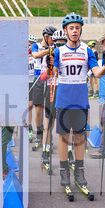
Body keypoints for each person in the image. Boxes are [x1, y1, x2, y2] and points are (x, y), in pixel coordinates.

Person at [50, 13, 105, 189]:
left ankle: (80, 171)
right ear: (65, 31)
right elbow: (52, 73)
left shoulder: (86, 50)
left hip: (81, 100)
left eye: (77, 28)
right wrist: (50, 64)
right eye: (71, 28)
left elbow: (96, 73)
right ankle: (64, 170)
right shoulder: (59, 51)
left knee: (80, 137)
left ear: (81, 30)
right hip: (63, 100)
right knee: (63, 137)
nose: (74, 31)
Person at [41, 29, 67, 169]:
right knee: (49, 123)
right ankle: (45, 151)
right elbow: (43, 77)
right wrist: (50, 69)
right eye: (57, 44)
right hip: (52, 89)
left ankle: (69, 153)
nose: (60, 47)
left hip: (65, 90)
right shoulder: (49, 55)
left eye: (63, 44)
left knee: (66, 124)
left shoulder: (70, 54)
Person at [30, 26, 56, 148]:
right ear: (46, 37)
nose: (54, 41)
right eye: (52, 39)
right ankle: (39, 133)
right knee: (38, 108)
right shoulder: (36, 45)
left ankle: (48, 134)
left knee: (49, 109)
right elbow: (35, 55)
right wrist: (49, 50)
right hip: (38, 78)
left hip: (50, 78)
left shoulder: (55, 47)